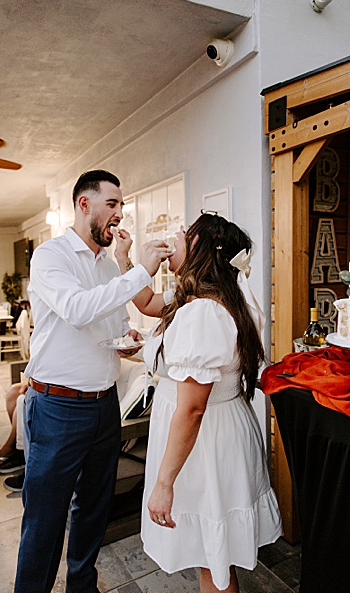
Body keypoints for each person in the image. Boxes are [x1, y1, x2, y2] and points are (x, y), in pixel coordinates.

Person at [14, 169, 169, 593]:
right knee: (45, 519)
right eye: (113, 204)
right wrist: (140, 271)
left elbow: (110, 319)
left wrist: (126, 338)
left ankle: (82, 586)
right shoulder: (50, 256)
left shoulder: (106, 263)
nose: (120, 214)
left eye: (121, 205)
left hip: (104, 405)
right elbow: (78, 310)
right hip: (57, 409)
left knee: (94, 509)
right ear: (85, 205)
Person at [139, 213, 282, 593]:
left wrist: (164, 483)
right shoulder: (228, 297)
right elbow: (149, 305)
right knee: (213, 553)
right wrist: (131, 261)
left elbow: (191, 408)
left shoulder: (202, 312)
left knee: (211, 555)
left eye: (185, 236)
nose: (176, 241)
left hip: (204, 441)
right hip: (222, 428)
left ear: (200, 249)